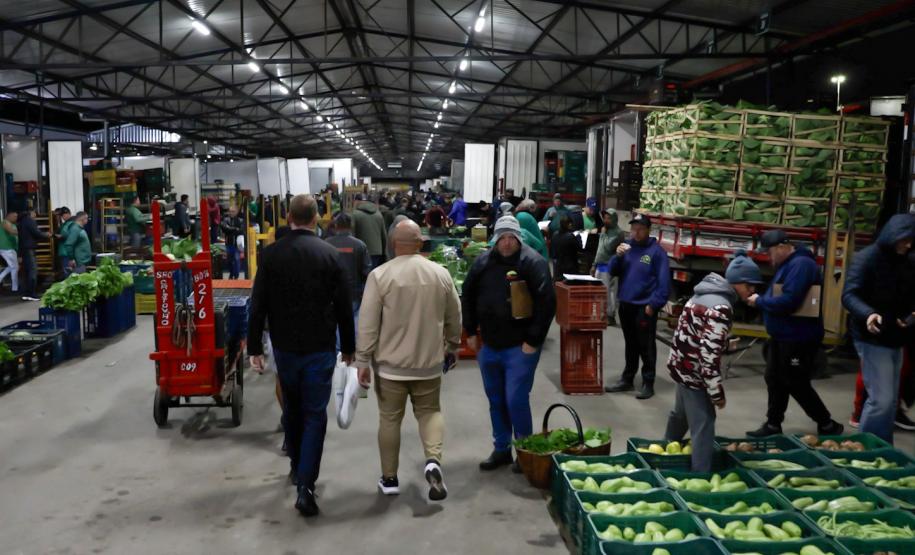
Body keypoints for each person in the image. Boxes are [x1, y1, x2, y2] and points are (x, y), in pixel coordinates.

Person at [247, 194, 355, 518]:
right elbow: (343, 308)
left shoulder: (270, 255)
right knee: (314, 415)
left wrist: (254, 348)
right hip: (320, 348)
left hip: (284, 348)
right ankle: (306, 487)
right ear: (317, 218)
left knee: (292, 409)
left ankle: (296, 466)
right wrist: (349, 347)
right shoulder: (331, 255)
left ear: (289, 217)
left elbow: (258, 304)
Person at [356, 220, 461, 500]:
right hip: (428, 364)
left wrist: (362, 360)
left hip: (391, 368)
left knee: (390, 420)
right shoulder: (440, 274)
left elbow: (367, 323)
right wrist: (452, 345)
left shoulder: (380, 276)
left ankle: (389, 479)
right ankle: (433, 460)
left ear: (392, 244)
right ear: (420, 242)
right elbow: (455, 315)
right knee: (430, 412)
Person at [462, 216, 556, 472]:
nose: (505, 243)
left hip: (520, 347)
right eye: (501, 238)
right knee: (496, 399)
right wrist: (470, 329)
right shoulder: (483, 262)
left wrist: (533, 340)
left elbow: (547, 303)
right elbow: (467, 294)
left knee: (515, 398)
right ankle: (501, 448)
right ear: (495, 239)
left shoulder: (532, 263)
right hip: (490, 345)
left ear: (518, 238)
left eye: (510, 238)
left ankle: (524, 452)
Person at [665, 253, 765, 471]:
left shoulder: (702, 293)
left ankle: (663, 454)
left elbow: (695, 334)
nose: (753, 292)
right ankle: (701, 477)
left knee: (680, 415)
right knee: (703, 424)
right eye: (750, 286)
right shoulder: (721, 307)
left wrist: (724, 344)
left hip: (680, 364)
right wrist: (716, 393)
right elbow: (708, 358)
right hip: (694, 372)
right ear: (737, 282)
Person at [746, 229, 844, 437]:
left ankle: (827, 424)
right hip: (784, 335)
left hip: (798, 336)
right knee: (774, 378)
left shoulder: (801, 265)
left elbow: (790, 300)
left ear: (782, 247)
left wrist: (760, 301)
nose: (768, 256)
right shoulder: (790, 265)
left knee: (795, 382)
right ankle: (773, 424)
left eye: (770, 252)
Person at [841, 214, 915, 443]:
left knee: (891, 401)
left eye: (911, 240)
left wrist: (910, 315)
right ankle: (864, 449)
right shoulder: (867, 259)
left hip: (897, 336)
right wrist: (869, 314)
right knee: (881, 400)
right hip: (872, 338)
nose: (908, 244)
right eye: (904, 239)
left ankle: (883, 446)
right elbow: (849, 294)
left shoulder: (907, 261)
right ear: (892, 235)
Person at [605, 214, 669, 400]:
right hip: (626, 305)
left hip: (644, 307)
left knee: (646, 345)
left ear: (648, 230)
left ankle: (648, 382)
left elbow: (664, 284)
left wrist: (654, 305)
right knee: (630, 344)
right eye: (634, 228)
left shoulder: (657, 253)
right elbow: (612, 270)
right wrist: (616, 256)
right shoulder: (627, 248)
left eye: (640, 228)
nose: (636, 232)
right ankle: (627, 378)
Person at [325, 212, 371, 330]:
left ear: (335, 225)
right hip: (353, 291)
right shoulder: (360, 245)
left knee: (333, 322)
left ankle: (337, 347)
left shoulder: (326, 244)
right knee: (352, 321)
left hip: (330, 291)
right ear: (351, 226)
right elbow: (366, 270)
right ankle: (351, 347)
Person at [591, 209, 624, 326]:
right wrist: (594, 265)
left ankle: (610, 315)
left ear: (614, 219)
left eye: (608, 218)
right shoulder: (606, 230)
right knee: (599, 292)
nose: (606, 220)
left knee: (609, 293)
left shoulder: (617, 232)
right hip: (600, 265)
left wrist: (604, 234)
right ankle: (600, 313)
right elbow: (599, 250)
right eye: (604, 218)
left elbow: (608, 247)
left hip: (609, 266)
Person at [17, 210, 49, 301]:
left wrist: (19, 254)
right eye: (35, 214)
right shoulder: (29, 221)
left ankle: (27, 293)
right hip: (29, 248)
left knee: (27, 272)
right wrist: (46, 235)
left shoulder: (21, 222)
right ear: (32, 213)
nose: (36, 216)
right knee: (32, 271)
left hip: (24, 249)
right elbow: (36, 233)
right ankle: (32, 293)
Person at [351, 194, 388, 269]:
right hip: (377, 251)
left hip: (361, 251)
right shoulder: (378, 214)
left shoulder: (355, 214)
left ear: (357, 202)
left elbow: (352, 234)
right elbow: (384, 235)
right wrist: (385, 253)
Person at [221, 205, 244, 279]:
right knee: (229, 261)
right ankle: (231, 274)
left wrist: (231, 230)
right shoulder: (226, 219)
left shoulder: (240, 220)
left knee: (237, 260)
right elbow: (224, 228)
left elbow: (241, 231)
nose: (231, 213)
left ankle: (236, 276)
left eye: (233, 211)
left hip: (237, 244)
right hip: (229, 243)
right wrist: (235, 229)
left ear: (236, 212)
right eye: (230, 211)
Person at [0, 211, 20, 294]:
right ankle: (15, 288)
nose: (16, 218)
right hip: (6, 248)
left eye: (16, 216)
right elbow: (11, 231)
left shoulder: (14, 225)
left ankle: (15, 287)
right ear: (9, 216)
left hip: (11, 248)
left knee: (13, 267)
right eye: (14, 216)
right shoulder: (4, 222)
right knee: (14, 267)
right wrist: (23, 232)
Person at [55, 207, 73, 273]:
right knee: (67, 271)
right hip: (64, 251)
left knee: (68, 273)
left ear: (67, 214)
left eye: (62, 215)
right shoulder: (65, 224)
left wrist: (60, 236)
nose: (62, 217)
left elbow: (69, 236)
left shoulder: (71, 224)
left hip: (67, 252)